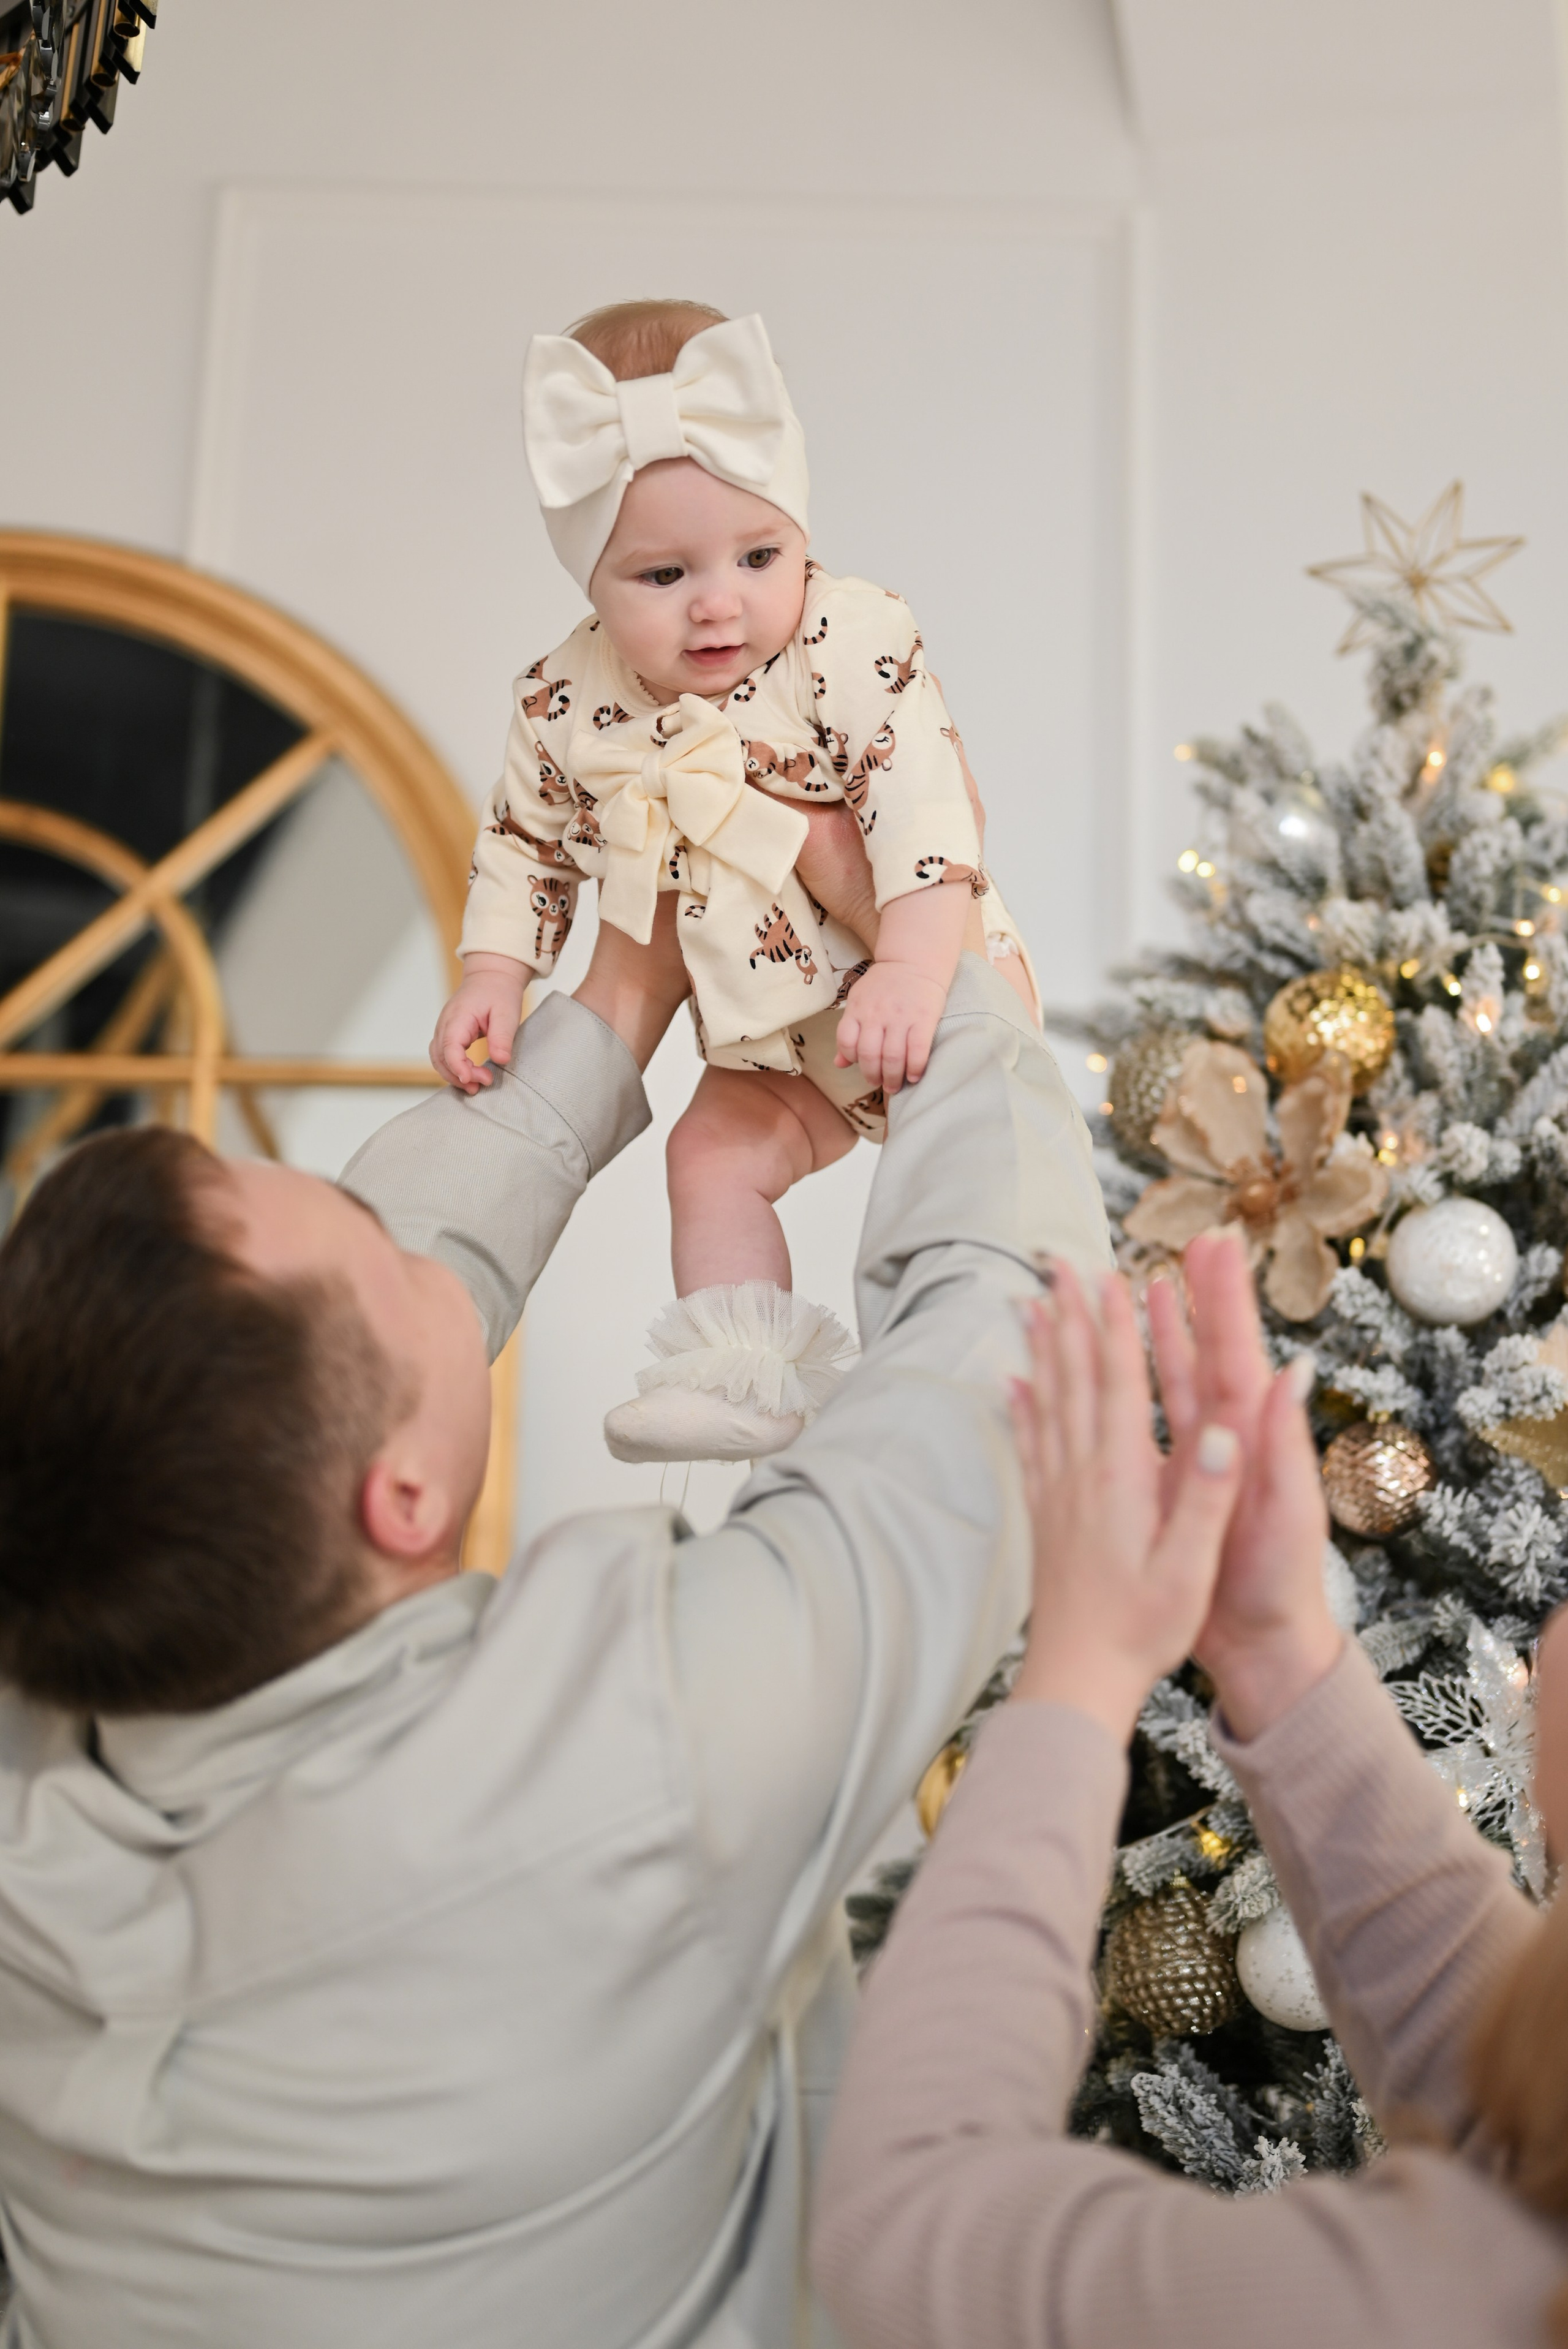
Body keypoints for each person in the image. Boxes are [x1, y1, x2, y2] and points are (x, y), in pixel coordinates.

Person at [0, 801, 1110, 2349]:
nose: (411, 1239)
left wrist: (613, 1003)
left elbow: (302, 1358)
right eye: (380, 1251)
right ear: (398, 1499)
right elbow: (997, 1361)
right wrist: (946, 969)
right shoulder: (628, 1743)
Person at [812, 1227, 1568, 2349]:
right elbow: (1488, 2059)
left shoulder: (1450, 2306)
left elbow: (906, 2229)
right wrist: (1276, 1655)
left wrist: (1080, 1667)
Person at [429, 298, 1039, 1466]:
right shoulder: (566, 697)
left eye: (759, 556)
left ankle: (971, 1393)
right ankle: (744, 1379)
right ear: (592, 581)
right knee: (705, 1160)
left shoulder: (846, 635)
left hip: (914, 973)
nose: (720, 600)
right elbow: (523, 843)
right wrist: (495, 974)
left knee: (959, 1178)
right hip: (764, 1039)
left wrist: (915, 971)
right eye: (662, 574)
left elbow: (924, 802)